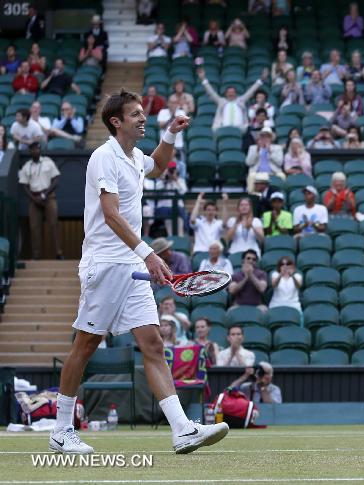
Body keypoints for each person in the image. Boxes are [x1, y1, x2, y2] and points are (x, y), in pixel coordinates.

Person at [51, 90, 227, 455]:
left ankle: (181, 429)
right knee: (85, 345)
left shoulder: (133, 157)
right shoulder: (104, 157)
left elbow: (159, 165)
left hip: (129, 263)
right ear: (116, 122)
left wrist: (172, 134)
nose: (142, 118)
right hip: (105, 264)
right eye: (135, 114)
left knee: (152, 343)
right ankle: (61, 429)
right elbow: (111, 214)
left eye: (143, 113)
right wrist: (148, 253)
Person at [19, 142, 62, 259]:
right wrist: (34, 198)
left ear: (40, 149)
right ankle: (36, 255)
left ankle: (58, 253)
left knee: (53, 224)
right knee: (34, 227)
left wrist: (44, 195)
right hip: (34, 198)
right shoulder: (27, 166)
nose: (35, 151)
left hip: (48, 196)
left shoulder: (48, 162)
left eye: (36, 148)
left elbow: (56, 179)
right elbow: (24, 185)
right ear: (30, 151)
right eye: (32, 149)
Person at [197, 66, 266, 132]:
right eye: (229, 92)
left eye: (233, 92)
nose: (231, 94)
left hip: (241, 129)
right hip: (223, 128)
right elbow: (211, 92)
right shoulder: (221, 101)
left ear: (236, 93)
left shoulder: (241, 100)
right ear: (225, 94)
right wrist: (203, 79)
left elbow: (251, 91)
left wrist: (261, 80)